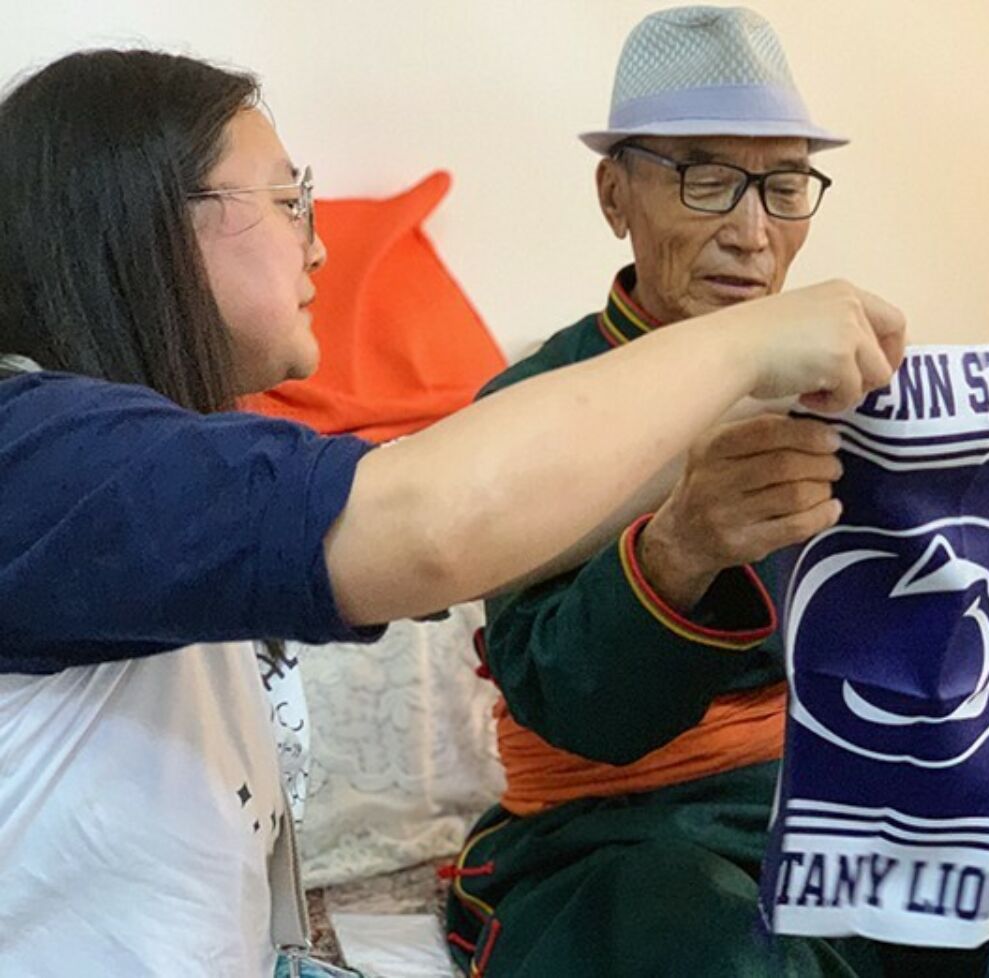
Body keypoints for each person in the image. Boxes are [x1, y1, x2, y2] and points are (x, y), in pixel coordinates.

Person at [0, 49, 904, 977]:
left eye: (784, 186)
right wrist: (744, 355)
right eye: (286, 200)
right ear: (146, 226)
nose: (318, 243)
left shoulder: (161, 461)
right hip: (623, 850)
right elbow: (431, 526)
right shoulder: (35, 458)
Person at [444, 7, 989, 978]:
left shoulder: (859, 389)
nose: (750, 231)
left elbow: (952, 676)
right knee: (712, 934)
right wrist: (678, 550)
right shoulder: (535, 405)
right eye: (704, 177)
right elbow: (573, 715)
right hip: (609, 833)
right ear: (615, 194)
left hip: (835, 800)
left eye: (783, 186)